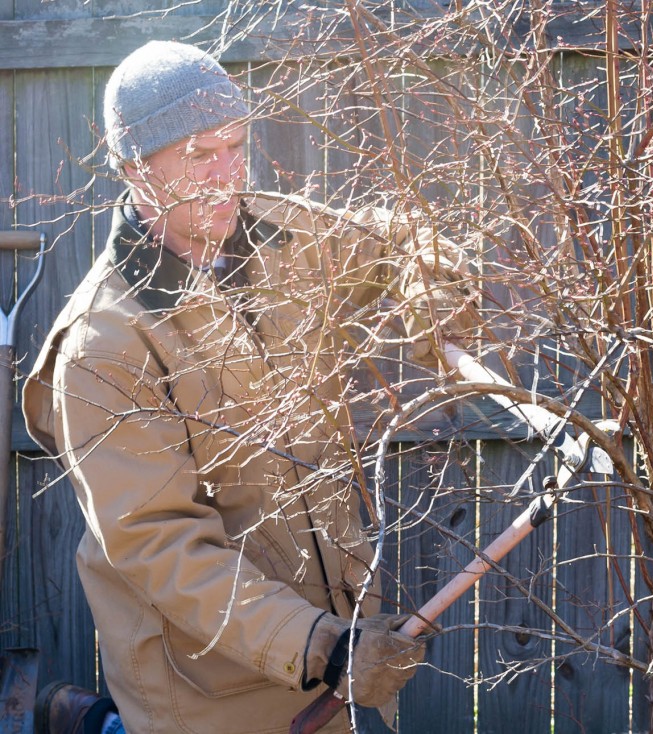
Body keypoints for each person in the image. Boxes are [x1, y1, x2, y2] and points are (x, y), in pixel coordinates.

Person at [23, 40, 475, 734]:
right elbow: (161, 547)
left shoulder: (279, 238)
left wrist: (428, 285)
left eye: (237, 145)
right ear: (136, 169)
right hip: (207, 689)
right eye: (200, 155)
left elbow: (396, 237)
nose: (228, 174)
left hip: (328, 652)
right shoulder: (104, 345)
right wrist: (323, 646)